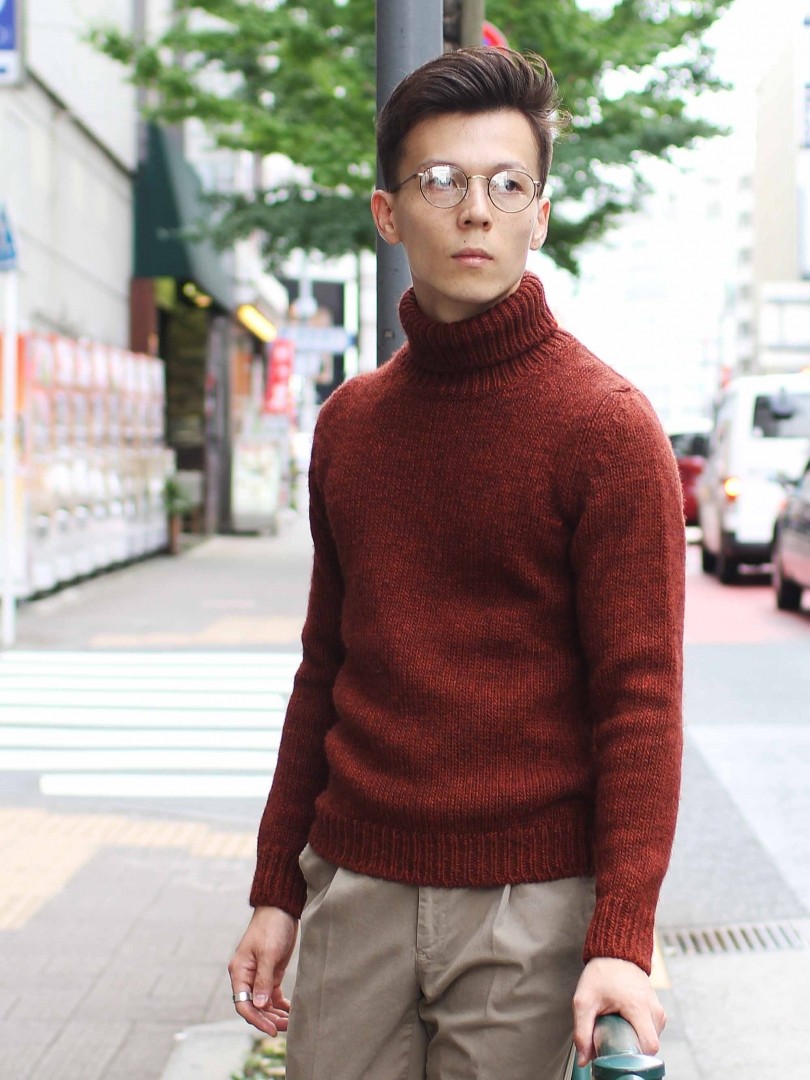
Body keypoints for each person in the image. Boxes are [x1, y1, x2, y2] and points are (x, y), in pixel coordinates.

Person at [229, 46, 684, 1080]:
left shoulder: (607, 428)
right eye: (441, 180)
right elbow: (324, 668)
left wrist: (622, 936)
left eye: (506, 184)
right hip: (356, 889)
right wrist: (276, 888)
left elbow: (642, 700)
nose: (476, 210)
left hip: (531, 905)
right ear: (389, 213)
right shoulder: (351, 425)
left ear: (540, 215)